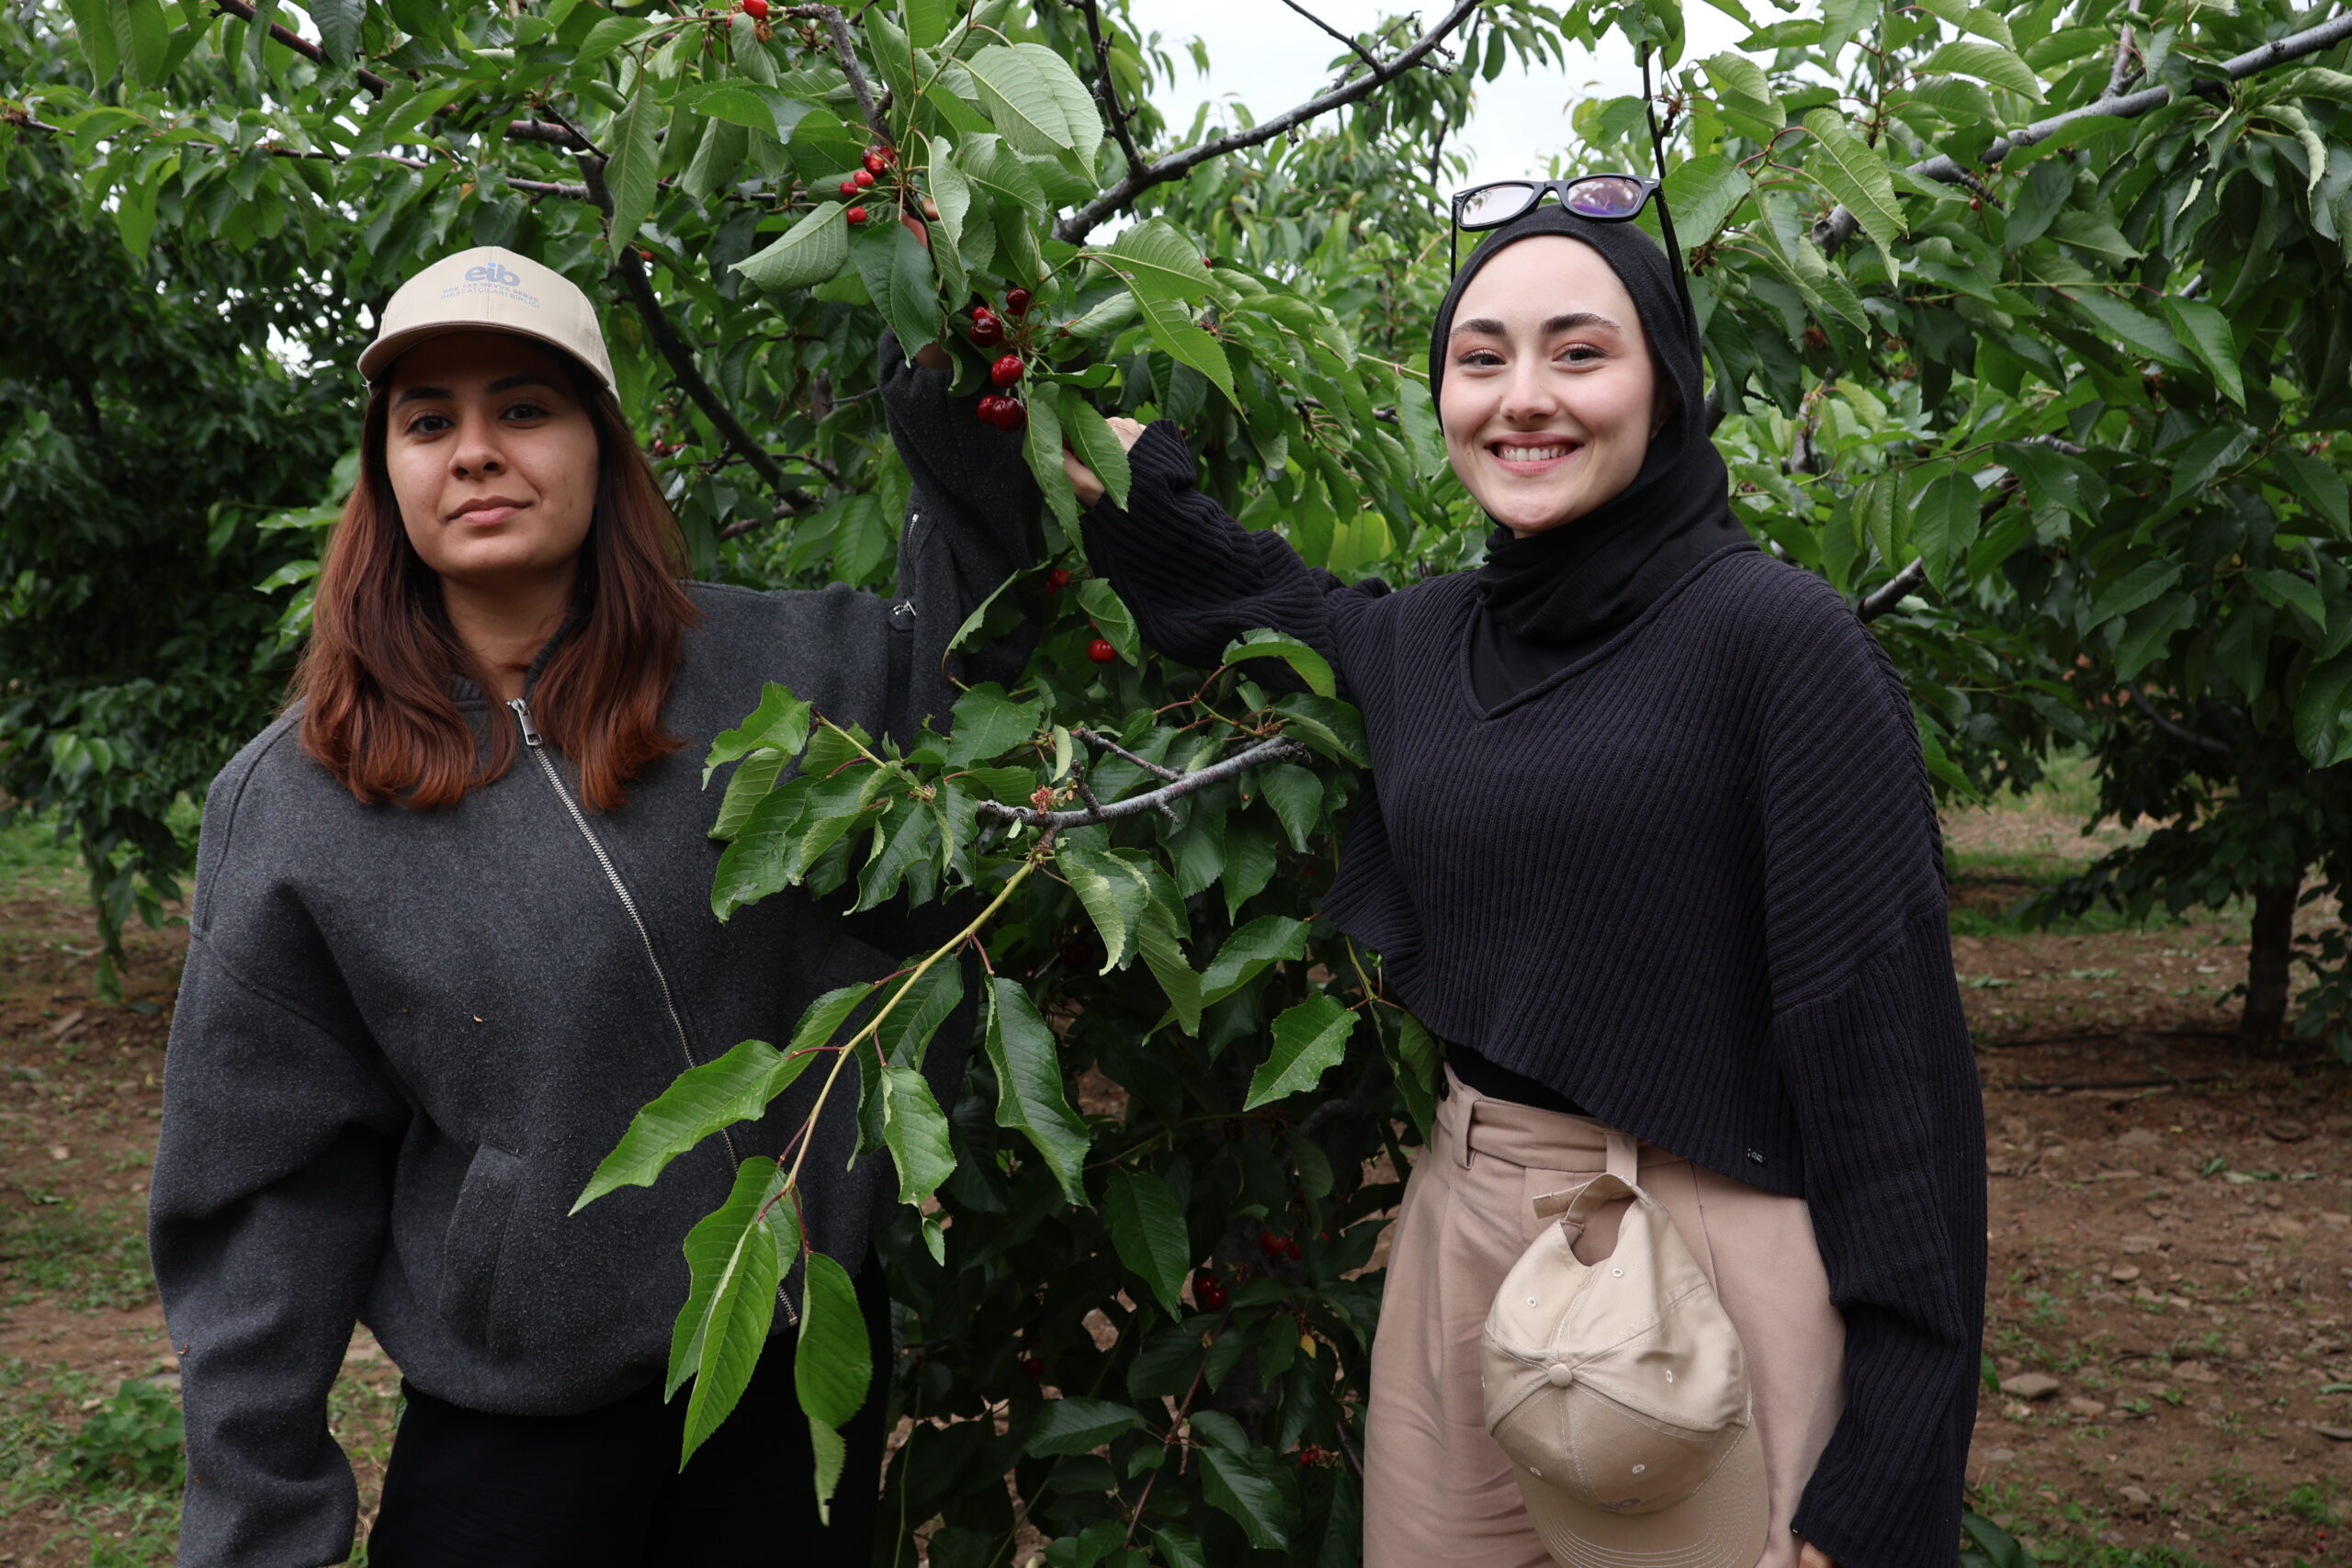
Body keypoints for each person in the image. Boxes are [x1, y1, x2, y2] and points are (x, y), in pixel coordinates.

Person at [1055, 198, 1985, 1567]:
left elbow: (1890, 1063)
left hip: (1711, 1246)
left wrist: (1894, 1460)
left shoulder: (1778, 644)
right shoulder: (1433, 638)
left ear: (1666, 384)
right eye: (1480, 358)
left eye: (1578, 353)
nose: (1523, 399)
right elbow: (1271, 607)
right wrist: (1092, 457)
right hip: (1471, 1215)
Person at [147, 246, 1043, 1567]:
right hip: (518, 1436)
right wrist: (259, 1529)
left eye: (525, 408)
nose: (474, 453)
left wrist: (947, 400)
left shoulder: (789, 674)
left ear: (604, 449)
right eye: (428, 421)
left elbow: (987, 673)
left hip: (785, 1400)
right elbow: (264, 1200)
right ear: (384, 471)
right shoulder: (300, 804)